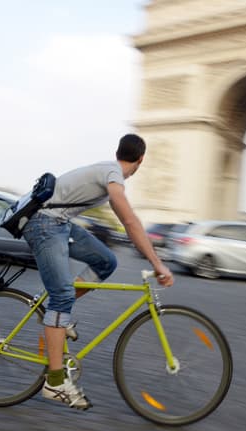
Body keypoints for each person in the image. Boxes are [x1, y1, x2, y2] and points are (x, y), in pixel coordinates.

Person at [20, 133, 174, 410]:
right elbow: (129, 220)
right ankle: (54, 382)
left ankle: (58, 312)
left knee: (107, 262)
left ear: (119, 152)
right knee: (62, 296)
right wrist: (157, 262)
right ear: (141, 160)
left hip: (59, 223)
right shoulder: (113, 175)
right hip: (43, 223)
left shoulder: (107, 168)